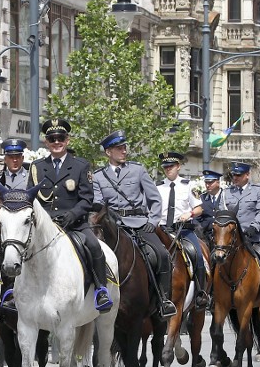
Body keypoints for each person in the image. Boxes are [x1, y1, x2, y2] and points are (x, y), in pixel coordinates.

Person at [28, 118, 112, 312]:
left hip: (74, 224)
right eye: (52, 138)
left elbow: (86, 199)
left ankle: (101, 289)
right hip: (44, 225)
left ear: (67, 140)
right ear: (46, 142)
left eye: (60, 138)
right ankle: (14, 293)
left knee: (93, 246)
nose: (56, 142)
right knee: (19, 247)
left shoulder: (80, 166)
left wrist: (72, 215)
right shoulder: (37, 167)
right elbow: (31, 198)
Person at [91, 130, 176, 317]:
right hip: (112, 227)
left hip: (139, 223)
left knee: (162, 254)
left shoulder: (138, 170)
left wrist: (152, 222)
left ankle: (164, 299)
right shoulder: (98, 177)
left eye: (124, 147)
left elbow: (155, 199)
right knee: (92, 255)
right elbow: (97, 205)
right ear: (108, 152)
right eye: (119, 148)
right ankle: (97, 296)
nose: (124, 151)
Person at [218, 161, 260, 308]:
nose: (235, 178)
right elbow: (222, 213)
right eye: (234, 175)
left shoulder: (257, 191)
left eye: (239, 175)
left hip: (254, 236)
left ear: (247, 175)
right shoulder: (226, 192)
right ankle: (212, 293)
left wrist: (254, 227)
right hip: (232, 238)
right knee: (216, 258)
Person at [156, 151, 209, 309]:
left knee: (197, 255)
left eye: (171, 166)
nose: (168, 169)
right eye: (165, 167)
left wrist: (190, 213)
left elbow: (199, 208)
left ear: (178, 166)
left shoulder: (189, 185)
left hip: (183, 230)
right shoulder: (157, 186)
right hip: (163, 230)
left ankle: (200, 294)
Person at [194, 169, 223, 239]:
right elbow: (196, 218)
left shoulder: (226, 196)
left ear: (218, 182)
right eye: (206, 182)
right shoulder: (202, 198)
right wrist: (199, 230)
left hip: (222, 235)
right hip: (205, 235)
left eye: (210, 183)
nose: (207, 185)